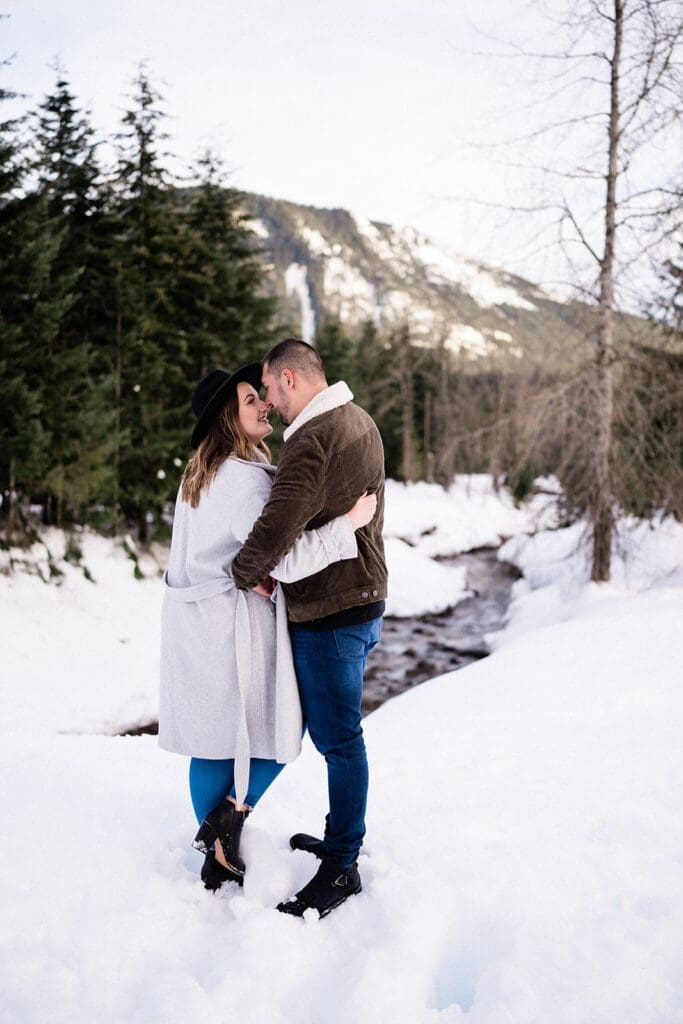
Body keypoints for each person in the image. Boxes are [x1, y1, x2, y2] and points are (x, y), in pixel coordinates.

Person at [159, 364, 377, 891]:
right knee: (287, 723)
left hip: (196, 625)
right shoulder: (242, 481)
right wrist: (347, 524)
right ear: (226, 420)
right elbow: (287, 560)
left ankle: (217, 847)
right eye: (250, 400)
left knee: (211, 739)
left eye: (262, 396)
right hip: (236, 629)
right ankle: (227, 822)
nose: (264, 406)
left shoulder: (200, 474)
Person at [231, 339, 387, 918]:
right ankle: (341, 843)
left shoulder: (311, 440)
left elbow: (274, 537)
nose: (269, 402)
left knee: (340, 743)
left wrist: (244, 571)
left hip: (332, 612)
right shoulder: (358, 419)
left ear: (290, 379)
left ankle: (342, 866)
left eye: (269, 389)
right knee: (341, 741)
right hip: (362, 601)